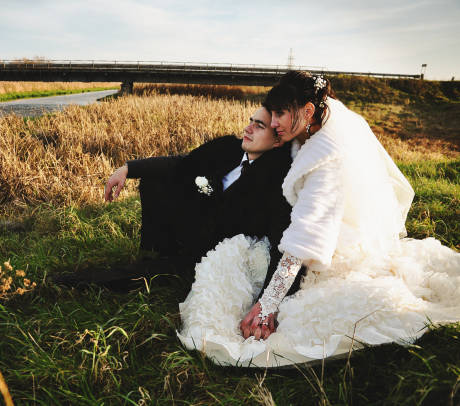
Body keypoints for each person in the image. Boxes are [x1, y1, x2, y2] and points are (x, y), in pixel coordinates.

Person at [177, 71, 460, 367]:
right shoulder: (317, 117)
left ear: (308, 111)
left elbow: (306, 233)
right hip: (310, 223)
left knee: (286, 297)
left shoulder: (328, 157)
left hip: (330, 240)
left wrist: (269, 303)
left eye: (279, 114)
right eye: (270, 114)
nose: (272, 123)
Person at [92, 106, 298, 290]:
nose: (248, 128)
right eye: (250, 121)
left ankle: (171, 267)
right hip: (193, 223)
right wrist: (128, 168)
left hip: (216, 247)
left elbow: (280, 237)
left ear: (277, 141)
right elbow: (182, 162)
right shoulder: (230, 147)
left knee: (124, 277)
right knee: (154, 178)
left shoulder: (276, 181)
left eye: (259, 126)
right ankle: (156, 250)